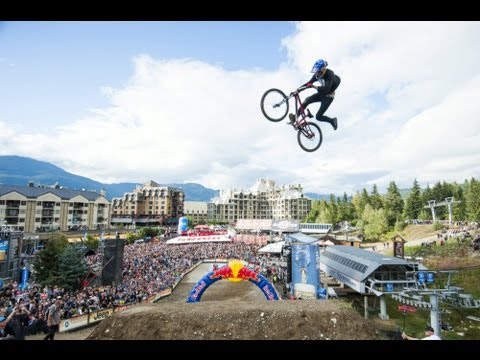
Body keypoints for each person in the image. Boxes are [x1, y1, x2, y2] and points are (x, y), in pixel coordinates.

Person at [288, 59, 341, 130]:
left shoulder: (330, 74)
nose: (317, 74)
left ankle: (332, 120)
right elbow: (308, 84)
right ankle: (295, 117)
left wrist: (313, 86)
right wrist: (297, 90)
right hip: (322, 94)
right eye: (316, 72)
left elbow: (326, 89)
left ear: (324, 69)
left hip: (328, 97)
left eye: (318, 72)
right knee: (307, 100)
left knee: (318, 117)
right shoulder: (317, 75)